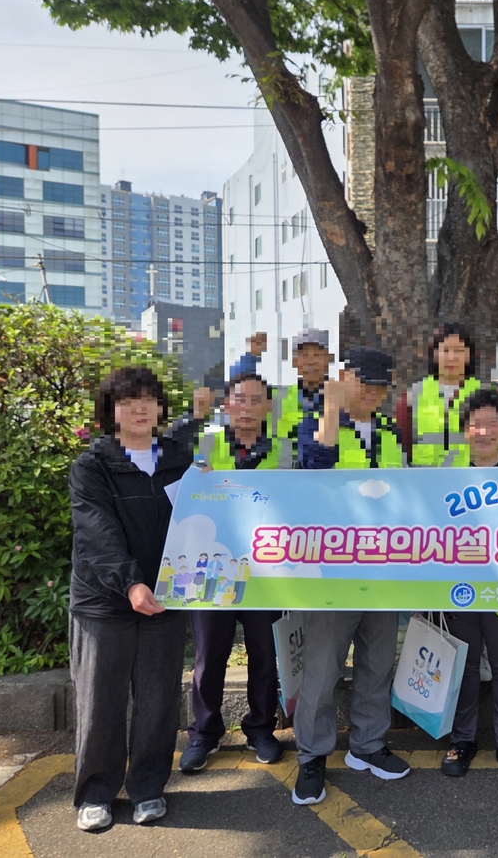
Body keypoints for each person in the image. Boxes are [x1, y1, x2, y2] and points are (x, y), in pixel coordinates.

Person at [67, 366, 192, 832]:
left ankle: (148, 787)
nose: (139, 408)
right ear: (110, 411)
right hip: (104, 601)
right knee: (100, 700)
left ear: (160, 408)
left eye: (148, 399)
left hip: (166, 597)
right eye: (126, 401)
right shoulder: (92, 466)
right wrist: (130, 583)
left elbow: (206, 521)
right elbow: (97, 532)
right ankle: (96, 793)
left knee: (159, 698)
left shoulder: (182, 462)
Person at [292, 347, 410, 806]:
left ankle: (368, 743)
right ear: (345, 377)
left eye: (381, 386)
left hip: (384, 571)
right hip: (331, 573)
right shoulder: (316, 424)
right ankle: (312, 756)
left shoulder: (389, 433)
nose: (374, 393)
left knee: (377, 664)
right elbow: (314, 468)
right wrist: (331, 404)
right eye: (366, 383)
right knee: (322, 671)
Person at [174, 373, 284, 774]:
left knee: (265, 654)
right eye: (240, 399)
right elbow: (171, 457)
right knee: (209, 655)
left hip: (266, 569)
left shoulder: (285, 451)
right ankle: (203, 734)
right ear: (227, 404)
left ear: (268, 407)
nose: (247, 407)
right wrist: (193, 417)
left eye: (256, 400)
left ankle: (261, 729)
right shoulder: (205, 443)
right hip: (211, 566)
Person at [439, 388, 498, 783]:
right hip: (458, 586)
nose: (483, 431)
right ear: (464, 430)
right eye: (476, 424)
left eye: (492, 424)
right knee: (463, 664)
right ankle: (462, 739)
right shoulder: (445, 473)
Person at [231, 328, 334, 467]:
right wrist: (252, 356)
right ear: (294, 362)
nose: (311, 362)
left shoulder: (344, 398)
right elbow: (239, 386)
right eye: (304, 355)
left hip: (333, 476)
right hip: (283, 474)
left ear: (329, 358)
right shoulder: (277, 399)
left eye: (317, 355)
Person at [398, 322, 483, 466]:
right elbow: (402, 442)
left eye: (459, 351)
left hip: (469, 475)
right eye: (445, 350)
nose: (451, 357)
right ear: (435, 354)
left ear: (469, 355)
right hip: (424, 475)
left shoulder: (483, 393)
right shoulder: (414, 394)